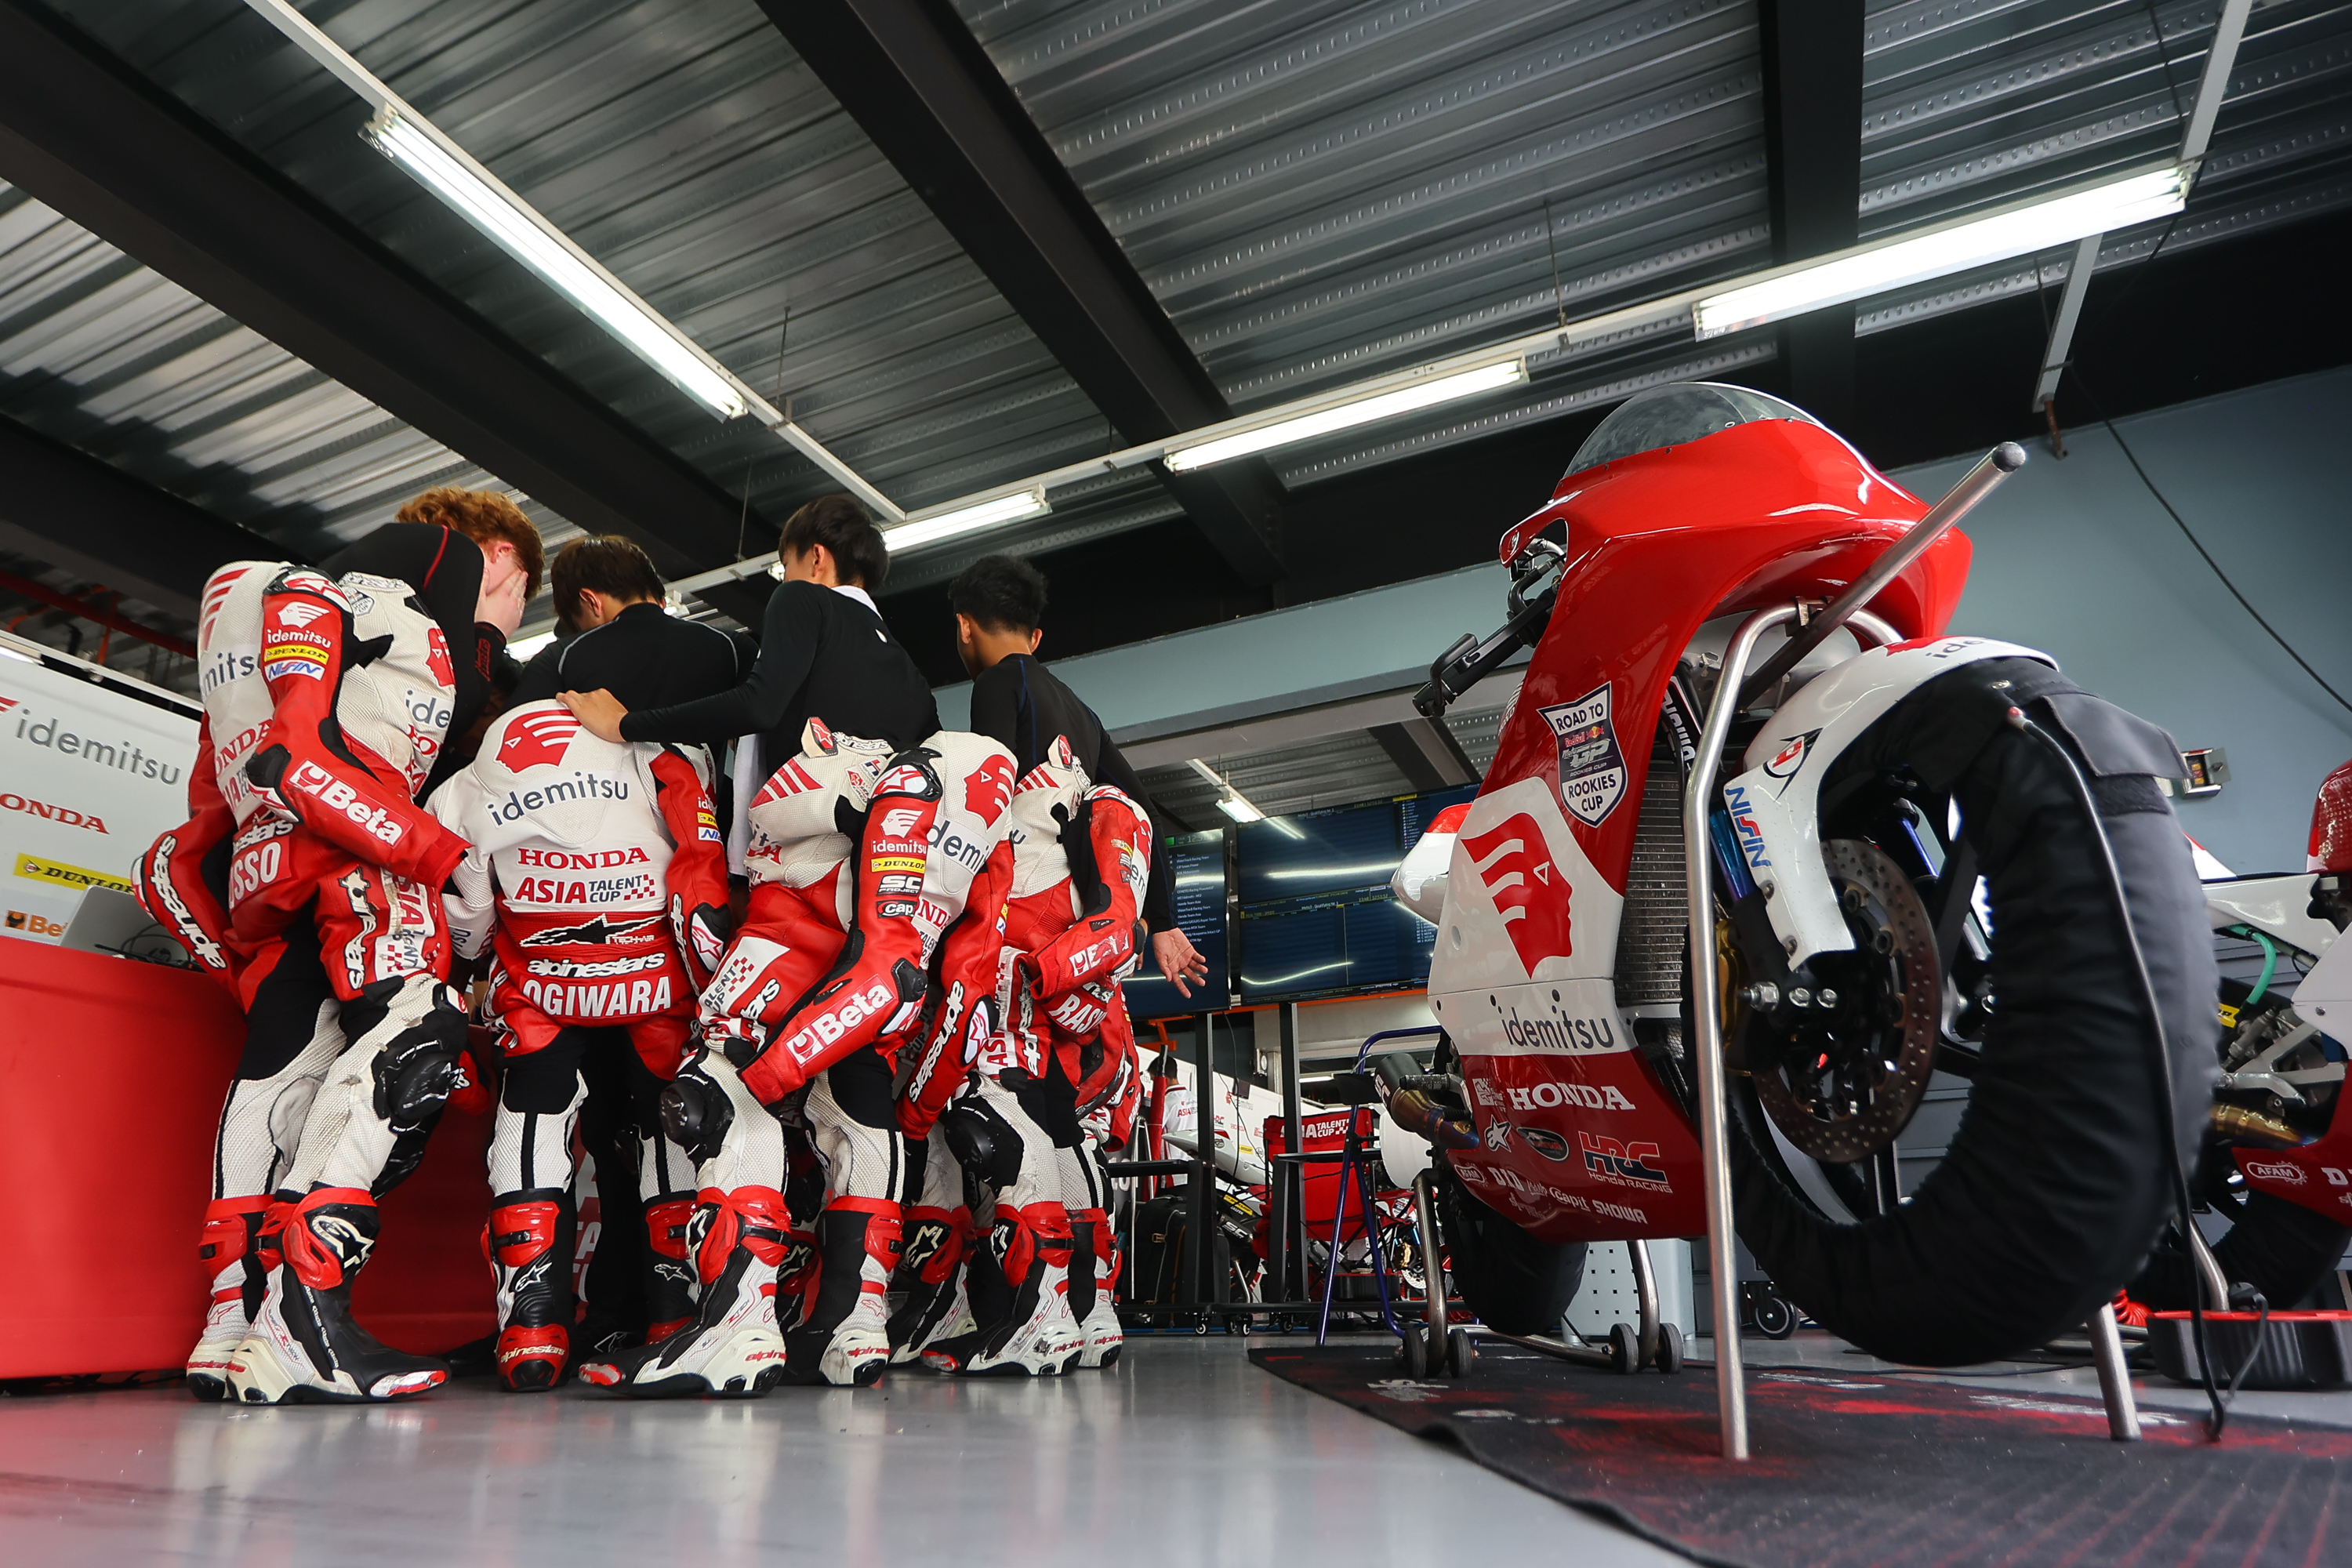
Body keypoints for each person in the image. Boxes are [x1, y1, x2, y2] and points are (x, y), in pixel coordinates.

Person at [561, 496, 1013, 1393]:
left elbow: (760, 700)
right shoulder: (917, 681)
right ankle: (853, 1329)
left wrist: (628, 725)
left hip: (795, 880)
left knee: (721, 1076)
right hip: (885, 900)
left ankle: (736, 1328)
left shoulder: (803, 602)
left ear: (811, 557)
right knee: (858, 1095)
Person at [135, 489, 542, 1403]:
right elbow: (304, 756)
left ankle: (230, 1327)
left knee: (282, 1068)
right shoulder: (364, 602)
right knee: (419, 1034)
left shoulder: (262, 619)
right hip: (362, 863)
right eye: (510, 592)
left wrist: (232, 930)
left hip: (272, 882)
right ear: (490, 565)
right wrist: (434, 850)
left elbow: (189, 838)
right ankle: (303, 1321)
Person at [428, 695, 731, 1390]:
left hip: (541, 982)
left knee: (532, 1120)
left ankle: (531, 1327)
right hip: (654, 978)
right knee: (668, 1125)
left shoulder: (470, 780)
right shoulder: (662, 749)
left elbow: (467, 918)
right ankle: (672, 1318)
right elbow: (701, 867)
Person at [503, 534, 750, 1352]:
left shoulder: (564, 656)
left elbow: (506, 761)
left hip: (564, 927)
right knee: (677, 1116)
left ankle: (589, 1316)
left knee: (593, 1126)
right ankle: (675, 1311)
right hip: (687, 914)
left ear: (590, 602)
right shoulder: (724, 648)